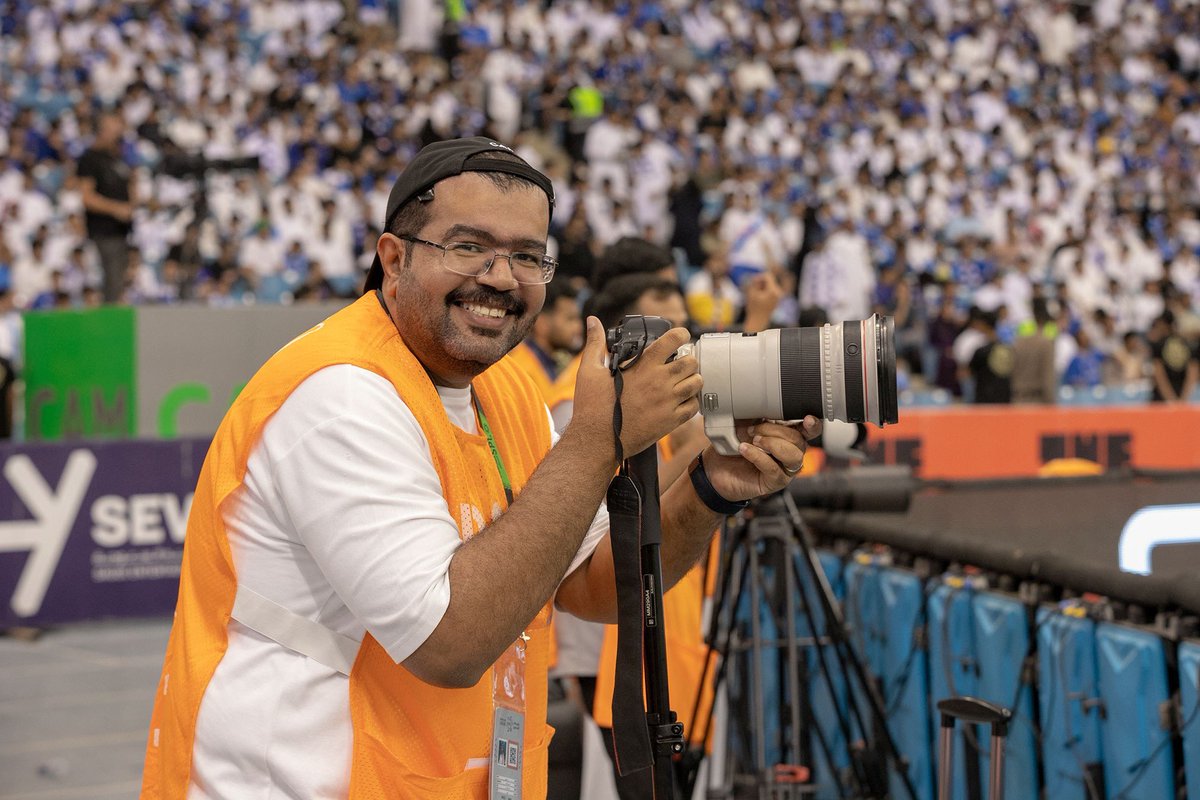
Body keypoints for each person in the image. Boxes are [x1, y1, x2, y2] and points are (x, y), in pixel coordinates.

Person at [141, 137, 814, 800]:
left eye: (527, 255)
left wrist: (710, 485)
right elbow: (449, 641)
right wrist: (598, 440)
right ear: (394, 259)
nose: (499, 276)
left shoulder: (507, 388)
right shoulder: (340, 394)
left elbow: (590, 586)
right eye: (469, 247)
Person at [77, 110, 134, 303]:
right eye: (113, 129)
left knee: (118, 284)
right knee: (108, 283)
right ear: (101, 131)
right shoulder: (90, 159)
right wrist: (116, 208)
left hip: (121, 233)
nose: (118, 134)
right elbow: (87, 197)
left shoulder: (116, 158)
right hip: (103, 234)